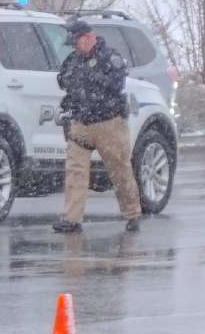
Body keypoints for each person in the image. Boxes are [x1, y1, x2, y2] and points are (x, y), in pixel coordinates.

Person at [53, 19, 142, 233]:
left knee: (119, 170)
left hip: (109, 123)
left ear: (89, 37)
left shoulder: (110, 57)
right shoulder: (73, 59)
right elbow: (63, 80)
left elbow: (115, 84)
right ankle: (72, 219)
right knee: (75, 171)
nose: (75, 47)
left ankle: (132, 213)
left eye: (77, 42)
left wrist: (89, 79)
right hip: (81, 122)